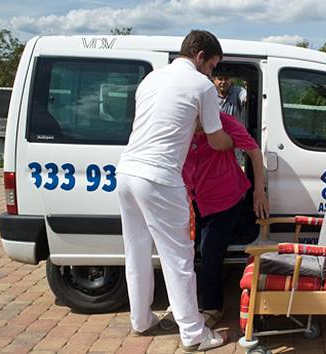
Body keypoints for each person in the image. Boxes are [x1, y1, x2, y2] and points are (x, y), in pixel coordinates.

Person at [116, 30, 233, 353]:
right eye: (212, 65)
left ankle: (140, 321)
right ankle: (194, 333)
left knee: (136, 251)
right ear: (200, 57)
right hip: (160, 178)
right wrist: (236, 142)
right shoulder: (201, 85)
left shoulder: (151, 79)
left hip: (126, 172)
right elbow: (215, 138)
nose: (212, 73)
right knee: (178, 257)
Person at [183, 111, 269, 328]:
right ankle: (184, 300)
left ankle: (213, 307)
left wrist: (259, 191)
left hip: (225, 198)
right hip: (193, 197)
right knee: (187, 252)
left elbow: (254, 152)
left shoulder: (224, 121)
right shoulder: (179, 121)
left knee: (210, 252)